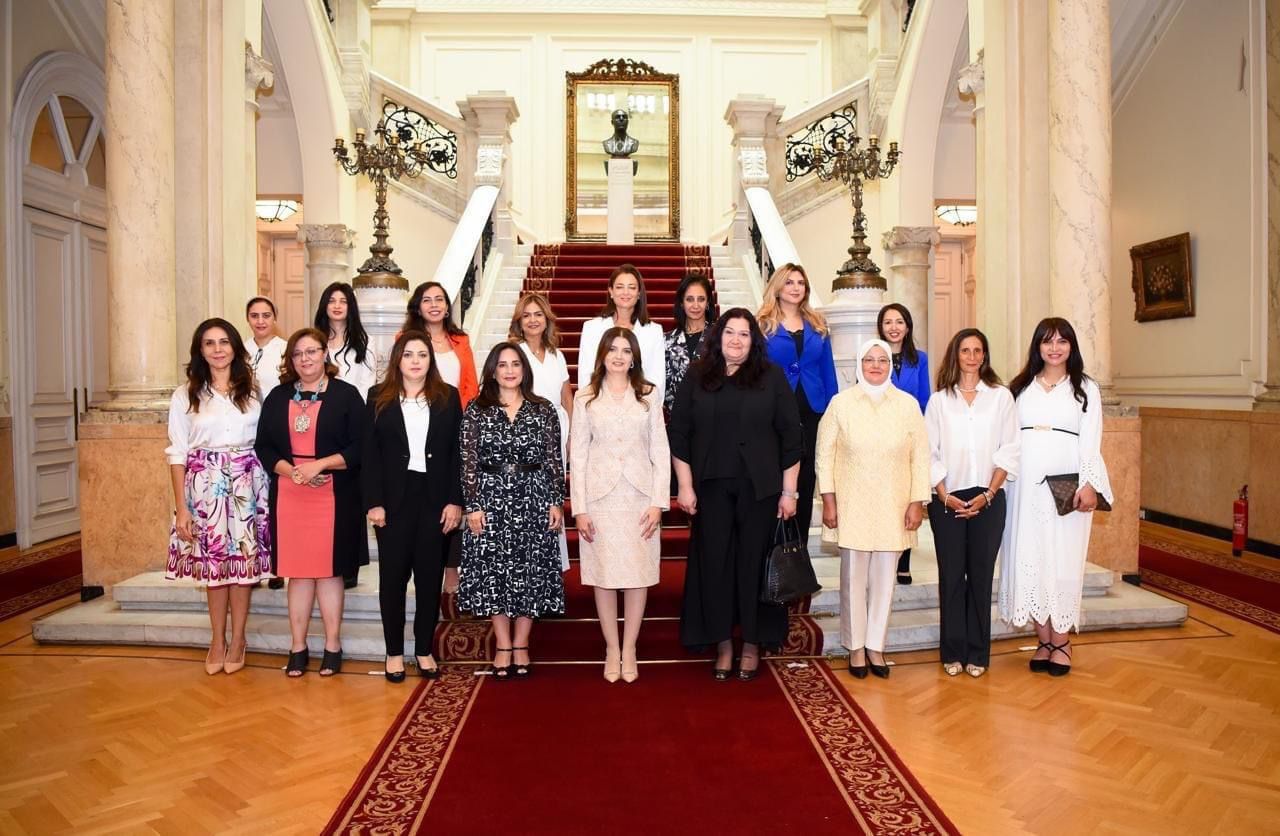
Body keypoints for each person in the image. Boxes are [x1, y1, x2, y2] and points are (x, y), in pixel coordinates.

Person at [668, 309, 802, 682]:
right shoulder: (697, 375)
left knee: (752, 566)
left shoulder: (771, 377)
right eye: (730, 332)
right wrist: (685, 485)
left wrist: (789, 492)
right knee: (716, 566)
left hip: (760, 490)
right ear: (718, 336)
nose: (736, 340)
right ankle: (723, 643)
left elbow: (792, 438)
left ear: (753, 340)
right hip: (710, 489)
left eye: (744, 334)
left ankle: (753, 643)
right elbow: (679, 433)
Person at [1000, 317, 1112, 677]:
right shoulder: (1020, 387)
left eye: (1062, 341)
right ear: (1037, 346)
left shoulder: (1085, 388)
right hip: (1023, 486)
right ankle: (1043, 640)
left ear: (1071, 347)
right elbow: (1006, 437)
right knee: (1028, 556)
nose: (1054, 348)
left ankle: (1062, 641)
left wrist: (1089, 483)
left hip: (1067, 486)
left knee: (1061, 559)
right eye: (1047, 341)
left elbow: (1091, 440)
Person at [255, 328, 369, 677]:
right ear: (291, 360)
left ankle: (332, 645)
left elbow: (361, 446)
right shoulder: (277, 397)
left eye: (311, 351)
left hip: (333, 493)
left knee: (329, 572)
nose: (305, 358)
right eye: (298, 353)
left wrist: (320, 465)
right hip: (290, 493)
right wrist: (292, 472)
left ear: (324, 354)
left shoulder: (346, 395)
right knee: (299, 573)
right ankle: (298, 646)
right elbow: (264, 446)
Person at [816, 339, 929, 680]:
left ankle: (876, 646)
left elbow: (920, 458)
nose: (876, 365)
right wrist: (829, 500)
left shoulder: (908, 405)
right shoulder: (841, 404)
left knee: (884, 581)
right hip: (852, 504)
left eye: (882, 360)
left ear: (890, 366)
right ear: (859, 364)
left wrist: (917, 502)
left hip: (894, 505)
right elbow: (824, 455)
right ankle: (855, 647)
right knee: (853, 580)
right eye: (869, 359)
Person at [165, 318, 271, 675]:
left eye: (224, 342)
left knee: (242, 566)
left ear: (235, 347)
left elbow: (268, 440)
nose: (218, 349)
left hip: (247, 485)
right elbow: (177, 453)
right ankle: (217, 639)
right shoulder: (185, 394)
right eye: (209, 343)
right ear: (200, 350)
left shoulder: (254, 391)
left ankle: (238, 639)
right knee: (215, 568)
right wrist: (182, 508)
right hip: (205, 489)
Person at [458, 342, 566, 680]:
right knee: (495, 572)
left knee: (530, 571)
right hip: (490, 499)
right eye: (502, 364)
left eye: (515, 364)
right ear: (492, 370)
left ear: (524, 369)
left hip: (533, 497)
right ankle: (503, 644)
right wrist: (472, 505)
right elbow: (468, 461)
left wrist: (556, 500)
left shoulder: (543, 409)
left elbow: (553, 459)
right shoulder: (477, 409)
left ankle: (522, 643)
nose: (509, 370)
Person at [362, 331, 463, 683]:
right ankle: (393, 652)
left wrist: (455, 500)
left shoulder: (447, 397)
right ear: (398, 360)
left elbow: (457, 454)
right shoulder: (378, 397)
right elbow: (370, 455)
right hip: (393, 502)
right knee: (392, 579)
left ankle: (423, 649)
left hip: (435, 500)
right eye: (408, 355)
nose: (416, 361)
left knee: (429, 578)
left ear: (430, 360)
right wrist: (374, 502)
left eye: (422, 354)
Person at [571, 328, 670, 683]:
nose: (618, 356)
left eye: (626, 351)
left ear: (634, 358)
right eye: (612, 349)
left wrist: (659, 502)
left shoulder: (648, 394)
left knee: (637, 573)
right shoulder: (585, 397)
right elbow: (577, 453)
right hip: (599, 497)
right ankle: (611, 648)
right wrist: (579, 507)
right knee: (604, 573)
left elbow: (660, 448)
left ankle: (630, 648)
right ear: (602, 354)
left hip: (639, 497)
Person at [925, 329, 1019, 678]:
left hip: (988, 496)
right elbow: (928, 452)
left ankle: (978, 653)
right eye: (965, 350)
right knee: (951, 577)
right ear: (956, 355)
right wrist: (944, 495)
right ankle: (952, 651)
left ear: (985, 356)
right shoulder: (939, 401)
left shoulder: (1001, 397)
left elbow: (1010, 449)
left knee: (980, 577)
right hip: (947, 497)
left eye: (978, 350)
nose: (972, 356)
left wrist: (989, 494)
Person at [404, 281, 479, 594]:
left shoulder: (460, 340)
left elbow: (470, 384)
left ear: (448, 306)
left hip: (454, 423)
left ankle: (451, 568)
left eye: (439, 299)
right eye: (427, 300)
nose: (434, 305)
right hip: (417, 425)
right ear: (418, 306)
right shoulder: (406, 340)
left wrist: (468, 422)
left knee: (455, 493)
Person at [758, 264, 839, 546]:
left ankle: (798, 553)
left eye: (800, 283)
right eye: (789, 282)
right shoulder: (762, 325)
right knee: (777, 480)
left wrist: (832, 411)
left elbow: (828, 372)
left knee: (805, 481)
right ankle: (774, 553)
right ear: (778, 287)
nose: (795, 287)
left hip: (812, 412)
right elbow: (756, 373)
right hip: (775, 413)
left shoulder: (818, 325)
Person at [509, 292, 573, 571]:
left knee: (553, 495)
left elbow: (566, 396)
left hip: (557, 429)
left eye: (538, 315)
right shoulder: (514, 353)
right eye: (527, 315)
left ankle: (551, 562)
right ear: (519, 321)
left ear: (547, 320)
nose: (533, 320)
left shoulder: (557, 354)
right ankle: (526, 560)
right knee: (531, 496)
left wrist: (571, 435)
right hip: (527, 432)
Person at [878, 302, 930, 585]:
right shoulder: (874, 356)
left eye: (899, 322)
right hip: (878, 439)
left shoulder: (920, 359)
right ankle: (884, 554)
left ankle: (904, 561)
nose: (894, 327)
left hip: (908, 438)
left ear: (908, 326)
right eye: (888, 322)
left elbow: (924, 399)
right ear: (880, 327)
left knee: (907, 499)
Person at [576, 264, 665, 404]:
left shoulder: (653, 331)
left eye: (632, 287)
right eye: (619, 287)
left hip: (640, 406)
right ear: (611, 291)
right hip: (599, 406)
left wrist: (647, 407)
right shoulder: (591, 328)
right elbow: (585, 375)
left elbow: (657, 379)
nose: (626, 292)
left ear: (639, 293)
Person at [663, 274, 718, 413]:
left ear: (708, 303)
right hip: (677, 416)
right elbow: (664, 384)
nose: (695, 305)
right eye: (689, 299)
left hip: (714, 415)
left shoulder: (720, 336)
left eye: (701, 299)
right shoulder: (667, 341)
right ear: (681, 303)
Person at [315, 281, 375, 402]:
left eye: (343, 301)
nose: (337, 306)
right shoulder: (315, 341)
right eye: (331, 301)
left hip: (355, 407)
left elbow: (367, 384)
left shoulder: (366, 342)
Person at [245, 296, 287, 399]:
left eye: (266, 316)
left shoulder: (286, 349)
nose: (260, 321)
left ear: (275, 318)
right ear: (247, 319)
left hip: (276, 406)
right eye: (254, 316)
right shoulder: (241, 349)